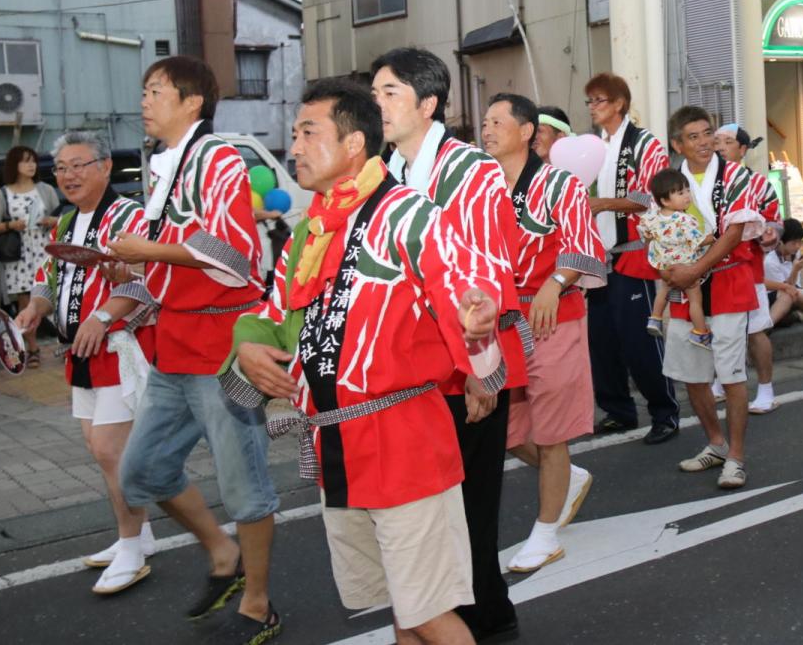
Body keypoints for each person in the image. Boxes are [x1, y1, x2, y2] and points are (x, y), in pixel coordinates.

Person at [224, 79, 503, 645]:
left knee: (427, 611)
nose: (293, 148)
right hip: (339, 446)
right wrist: (247, 344)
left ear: (354, 144)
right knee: (401, 606)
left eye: (308, 133)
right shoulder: (311, 229)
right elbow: (272, 310)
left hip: (404, 442)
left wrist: (477, 316)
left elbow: (463, 282)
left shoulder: (408, 213)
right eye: (294, 134)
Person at [112, 56, 281, 642]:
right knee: (142, 471)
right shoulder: (165, 165)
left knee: (245, 487)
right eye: (144, 91)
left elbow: (236, 253)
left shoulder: (218, 158)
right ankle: (221, 554)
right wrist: (125, 267)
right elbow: (166, 259)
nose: (145, 101)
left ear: (192, 102)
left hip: (222, 347)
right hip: (174, 345)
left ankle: (258, 604)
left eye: (155, 90)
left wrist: (148, 252)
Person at [372, 47, 524, 642]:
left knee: (470, 507)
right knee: (422, 514)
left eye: (390, 93)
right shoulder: (380, 174)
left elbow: (485, 273)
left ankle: (484, 618)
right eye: (375, 93)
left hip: (462, 368)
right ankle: (440, 618)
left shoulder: (471, 169)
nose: (377, 105)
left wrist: (481, 373)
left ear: (427, 103)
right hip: (406, 373)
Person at [14, 131, 156, 594]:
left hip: (119, 349)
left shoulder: (128, 215)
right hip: (79, 352)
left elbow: (145, 280)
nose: (69, 175)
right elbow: (47, 277)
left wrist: (101, 315)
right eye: (62, 168)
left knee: (112, 452)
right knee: (102, 453)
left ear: (106, 166)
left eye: (79, 165)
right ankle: (139, 534)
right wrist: (36, 307)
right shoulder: (65, 224)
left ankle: (131, 549)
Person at [480, 92, 606, 573]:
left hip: (553, 317)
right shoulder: (483, 185)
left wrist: (556, 283)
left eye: (497, 121)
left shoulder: (560, 184)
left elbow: (581, 245)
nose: (487, 129)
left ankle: (547, 532)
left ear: (527, 130)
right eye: (485, 122)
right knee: (508, 432)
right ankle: (569, 479)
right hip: (503, 323)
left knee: (552, 432)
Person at [661, 105, 764, 490]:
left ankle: (736, 456)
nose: (705, 143)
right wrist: (670, 266)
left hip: (726, 280)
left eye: (708, 133)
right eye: (694, 137)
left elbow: (735, 233)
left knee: (732, 374)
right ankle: (715, 443)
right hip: (685, 287)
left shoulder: (735, 175)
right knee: (691, 374)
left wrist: (694, 268)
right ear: (677, 144)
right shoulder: (671, 180)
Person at [584, 72, 680, 444]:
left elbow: (653, 195)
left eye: (599, 101)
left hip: (633, 253)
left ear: (619, 104)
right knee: (602, 339)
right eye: (590, 102)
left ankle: (664, 412)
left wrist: (603, 203)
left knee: (640, 338)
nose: (592, 108)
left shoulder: (643, 143)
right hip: (599, 256)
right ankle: (618, 409)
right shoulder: (594, 146)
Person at [714, 124, 782, 413]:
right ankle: (720, 380)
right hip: (712, 269)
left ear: (742, 149)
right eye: (716, 141)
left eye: (727, 142)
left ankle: (766, 389)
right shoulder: (702, 180)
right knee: (717, 329)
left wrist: (770, 233)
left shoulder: (758, 183)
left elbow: (775, 221)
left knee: (755, 331)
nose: (719, 147)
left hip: (746, 266)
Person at [0, 145, 58, 363]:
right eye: (25, 161)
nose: (31, 165)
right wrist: (11, 225)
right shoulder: (3, 194)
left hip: (44, 249)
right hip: (19, 255)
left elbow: (60, 217)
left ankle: (65, 342)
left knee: (55, 293)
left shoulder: (45, 189)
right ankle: (32, 348)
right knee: (26, 302)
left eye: (33, 161)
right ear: (14, 165)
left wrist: (49, 221)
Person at [640, 168, 713, 348]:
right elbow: (698, 241)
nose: (687, 196)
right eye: (680, 193)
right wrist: (714, 237)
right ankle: (700, 333)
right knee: (695, 300)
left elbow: (645, 233)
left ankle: (655, 318)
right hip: (685, 266)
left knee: (663, 292)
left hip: (664, 266)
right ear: (665, 200)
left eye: (687, 190)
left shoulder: (652, 217)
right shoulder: (684, 220)